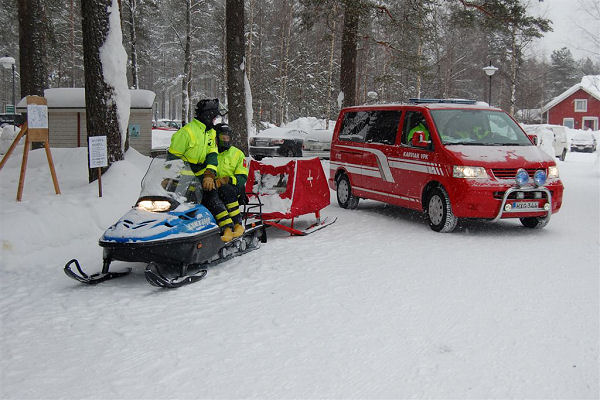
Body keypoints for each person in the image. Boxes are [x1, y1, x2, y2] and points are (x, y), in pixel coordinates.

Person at [168, 99, 235, 242]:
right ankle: (173, 232)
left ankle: (227, 228)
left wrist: (209, 175)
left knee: (212, 196)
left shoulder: (210, 132)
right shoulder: (186, 132)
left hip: (202, 177)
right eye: (215, 117)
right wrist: (172, 178)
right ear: (207, 116)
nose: (216, 120)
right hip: (182, 179)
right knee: (175, 205)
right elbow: (172, 159)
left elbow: (212, 154)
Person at [214, 123, 249, 239]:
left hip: (234, 187)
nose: (225, 140)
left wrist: (227, 180)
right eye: (223, 137)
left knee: (225, 190)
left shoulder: (238, 154)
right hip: (214, 185)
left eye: (227, 138)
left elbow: (242, 177)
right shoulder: (211, 152)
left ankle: (237, 224)